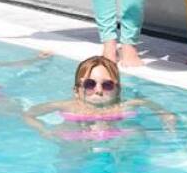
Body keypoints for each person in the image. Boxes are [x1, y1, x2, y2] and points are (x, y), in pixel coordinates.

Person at [22, 56, 175, 141]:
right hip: (75, 140)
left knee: (136, 134)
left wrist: (165, 115)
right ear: (76, 90)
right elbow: (29, 114)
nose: (99, 91)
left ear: (118, 90)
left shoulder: (125, 105)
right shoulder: (68, 106)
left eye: (107, 85)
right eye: (90, 84)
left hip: (114, 139)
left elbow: (150, 105)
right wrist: (44, 131)